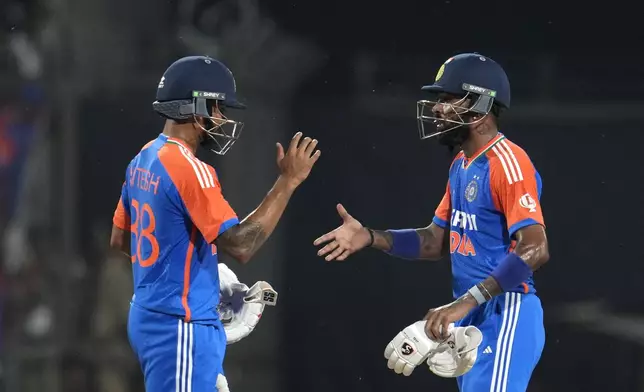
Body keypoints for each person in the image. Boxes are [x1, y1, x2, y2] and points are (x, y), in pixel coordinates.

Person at [314, 52, 549, 392]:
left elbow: (536, 248)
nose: (438, 109)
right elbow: (435, 241)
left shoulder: (508, 163)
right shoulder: (461, 165)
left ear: (481, 104)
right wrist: (370, 236)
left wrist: (463, 303)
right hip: (475, 316)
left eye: (449, 99)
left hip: (505, 311)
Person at [109, 55, 320, 391]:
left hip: (150, 318)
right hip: (181, 327)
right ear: (195, 107)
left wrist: (196, 280)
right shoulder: (191, 169)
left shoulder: (143, 158)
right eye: (218, 108)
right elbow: (241, 244)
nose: (221, 118)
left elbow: (121, 241)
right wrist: (288, 181)